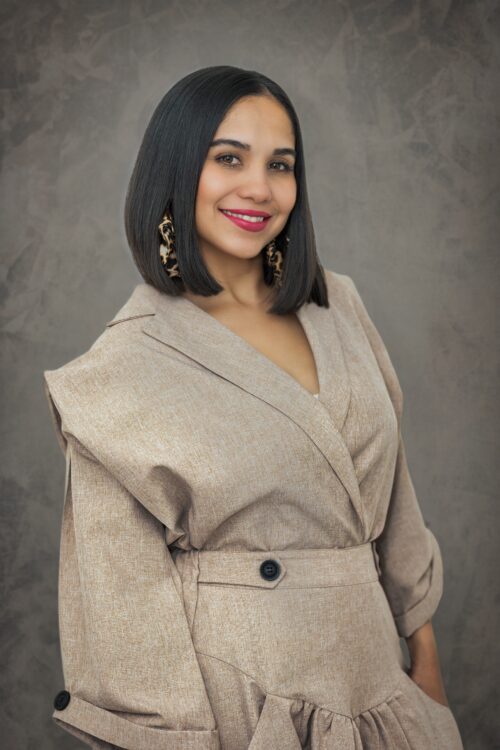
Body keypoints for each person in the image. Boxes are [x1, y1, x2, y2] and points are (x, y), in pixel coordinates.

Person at [43, 65, 464, 749]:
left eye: (282, 164)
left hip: (384, 687)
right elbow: (124, 613)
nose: (260, 189)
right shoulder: (119, 372)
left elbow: (394, 498)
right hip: (246, 703)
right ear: (176, 169)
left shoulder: (338, 305)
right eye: (228, 158)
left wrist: (427, 664)